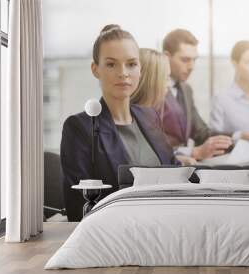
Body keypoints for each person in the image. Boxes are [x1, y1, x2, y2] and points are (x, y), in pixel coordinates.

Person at [61, 25, 178, 221]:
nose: (123, 73)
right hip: (117, 234)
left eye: (131, 64)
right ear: (95, 69)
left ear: (140, 68)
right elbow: (77, 206)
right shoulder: (79, 127)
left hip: (168, 225)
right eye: (111, 64)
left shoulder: (150, 116)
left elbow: (176, 172)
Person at [162, 29, 233, 161]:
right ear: (166, 57)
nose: (191, 66)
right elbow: (150, 149)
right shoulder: (150, 91)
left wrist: (237, 138)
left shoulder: (186, 89)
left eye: (194, 60)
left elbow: (201, 132)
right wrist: (193, 152)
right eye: (185, 60)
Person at [131, 48, 196, 165]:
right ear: (153, 81)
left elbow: (161, 157)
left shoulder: (149, 114)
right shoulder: (133, 119)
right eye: (166, 78)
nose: (168, 86)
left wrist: (179, 161)